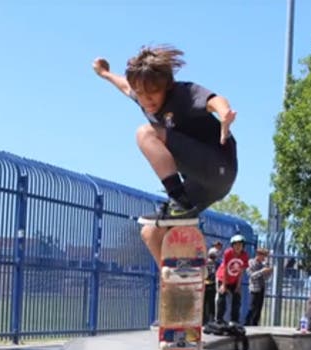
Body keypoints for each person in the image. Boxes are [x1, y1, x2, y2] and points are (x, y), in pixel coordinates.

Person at [92, 45, 238, 267]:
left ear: (166, 87)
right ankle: (177, 282)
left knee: (145, 133)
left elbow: (214, 100)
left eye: (153, 94)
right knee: (151, 232)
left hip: (218, 164)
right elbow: (124, 85)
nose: (147, 101)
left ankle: (179, 202)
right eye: (141, 95)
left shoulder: (183, 94)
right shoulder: (142, 95)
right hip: (201, 184)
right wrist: (104, 73)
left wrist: (225, 112)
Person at [216, 234, 248, 324]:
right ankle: (219, 319)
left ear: (243, 246)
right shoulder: (228, 253)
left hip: (234, 280)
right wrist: (224, 285)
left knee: (237, 297)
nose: (238, 247)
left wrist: (238, 285)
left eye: (240, 245)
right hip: (223, 278)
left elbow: (241, 271)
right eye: (236, 245)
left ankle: (234, 320)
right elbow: (225, 269)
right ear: (232, 246)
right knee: (222, 298)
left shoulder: (244, 255)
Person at [244, 248, 272, 326]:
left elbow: (266, 278)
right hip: (254, 288)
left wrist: (268, 272)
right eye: (263, 256)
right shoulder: (251, 262)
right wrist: (262, 271)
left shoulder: (263, 265)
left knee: (258, 309)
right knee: (252, 308)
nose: (264, 258)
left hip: (261, 288)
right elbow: (251, 276)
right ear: (258, 255)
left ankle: (255, 325)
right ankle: (247, 324)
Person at [203, 246, 219, 324]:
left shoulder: (216, 264)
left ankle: (209, 320)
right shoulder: (205, 263)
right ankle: (207, 320)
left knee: (209, 304)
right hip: (207, 285)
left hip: (211, 285)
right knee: (208, 303)